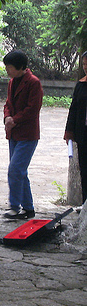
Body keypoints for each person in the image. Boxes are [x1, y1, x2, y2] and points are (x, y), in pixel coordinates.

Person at [3, 50, 43, 219]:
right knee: (21, 172)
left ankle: (15, 206)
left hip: (27, 134)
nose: (7, 71)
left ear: (20, 67)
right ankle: (28, 208)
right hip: (13, 133)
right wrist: (6, 117)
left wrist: (15, 120)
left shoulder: (33, 83)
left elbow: (33, 109)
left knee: (15, 170)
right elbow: (8, 103)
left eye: (10, 67)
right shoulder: (12, 82)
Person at [64, 51, 87, 202]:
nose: (86, 67)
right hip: (83, 133)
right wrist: (69, 130)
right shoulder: (81, 85)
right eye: (84, 64)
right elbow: (74, 109)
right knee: (84, 170)